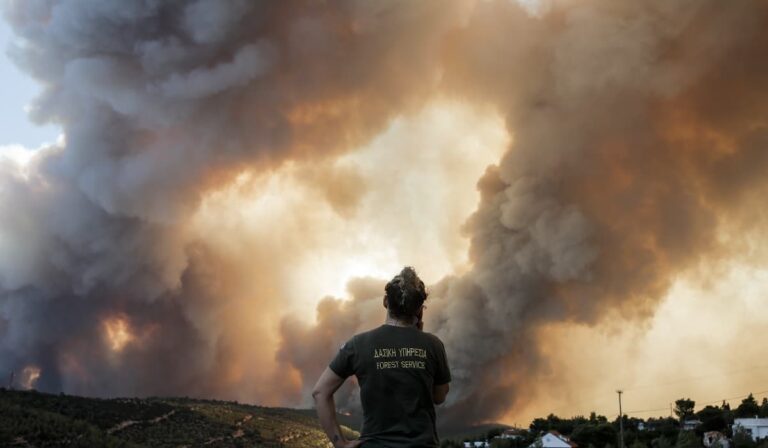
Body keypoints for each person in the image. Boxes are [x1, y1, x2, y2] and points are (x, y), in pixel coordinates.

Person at [312, 266, 451, 448]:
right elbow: (439, 397)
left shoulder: (358, 344)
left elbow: (320, 392)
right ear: (420, 308)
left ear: (386, 301)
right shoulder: (433, 345)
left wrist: (341, 444)